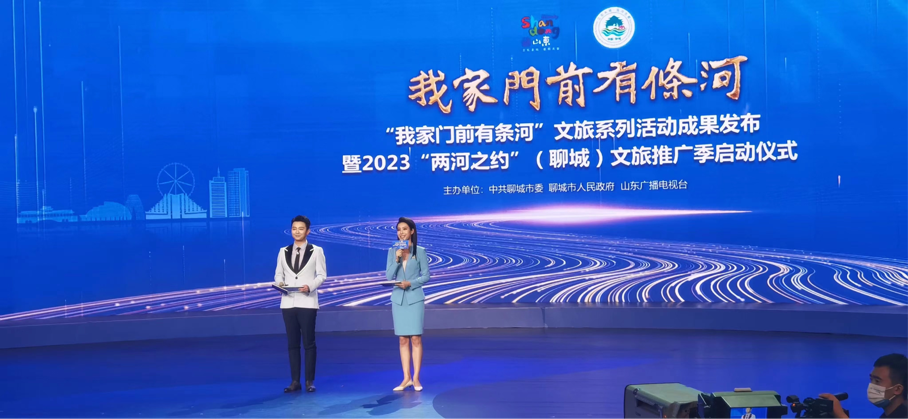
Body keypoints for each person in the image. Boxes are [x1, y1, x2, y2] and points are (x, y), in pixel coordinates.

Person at [274, 215, 326, 393]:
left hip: (307, 301)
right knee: (292, 343)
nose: (297, 232)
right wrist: (280, 284)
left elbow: (322, 275)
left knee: (309, 343)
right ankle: (295, 381)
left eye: (301, 229)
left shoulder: (316, 251)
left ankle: (309, 381)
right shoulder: (283, 251)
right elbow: (278, 274)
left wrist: (309, 286)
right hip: (288, 302)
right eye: (294, 229)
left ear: (308, 231)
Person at [386, 217, 430, 392]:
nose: (401, 232)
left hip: (414, 298)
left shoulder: (420, 251)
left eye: (404, 229)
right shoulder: (392, 251)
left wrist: (410, 283)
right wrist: (397, 259)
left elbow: (426, 276)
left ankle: (416, 378)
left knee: (415, 338)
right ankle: (406, 378)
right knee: (403, 339)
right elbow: (389, 276)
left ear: (412, 231)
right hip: (398, 300)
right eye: (398, 229)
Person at [821, 353, 907, 419]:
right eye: (871, 379)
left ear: (897, 389)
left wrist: (840, 415)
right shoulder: (889, 415)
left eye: (877, 381)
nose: (871, 386)